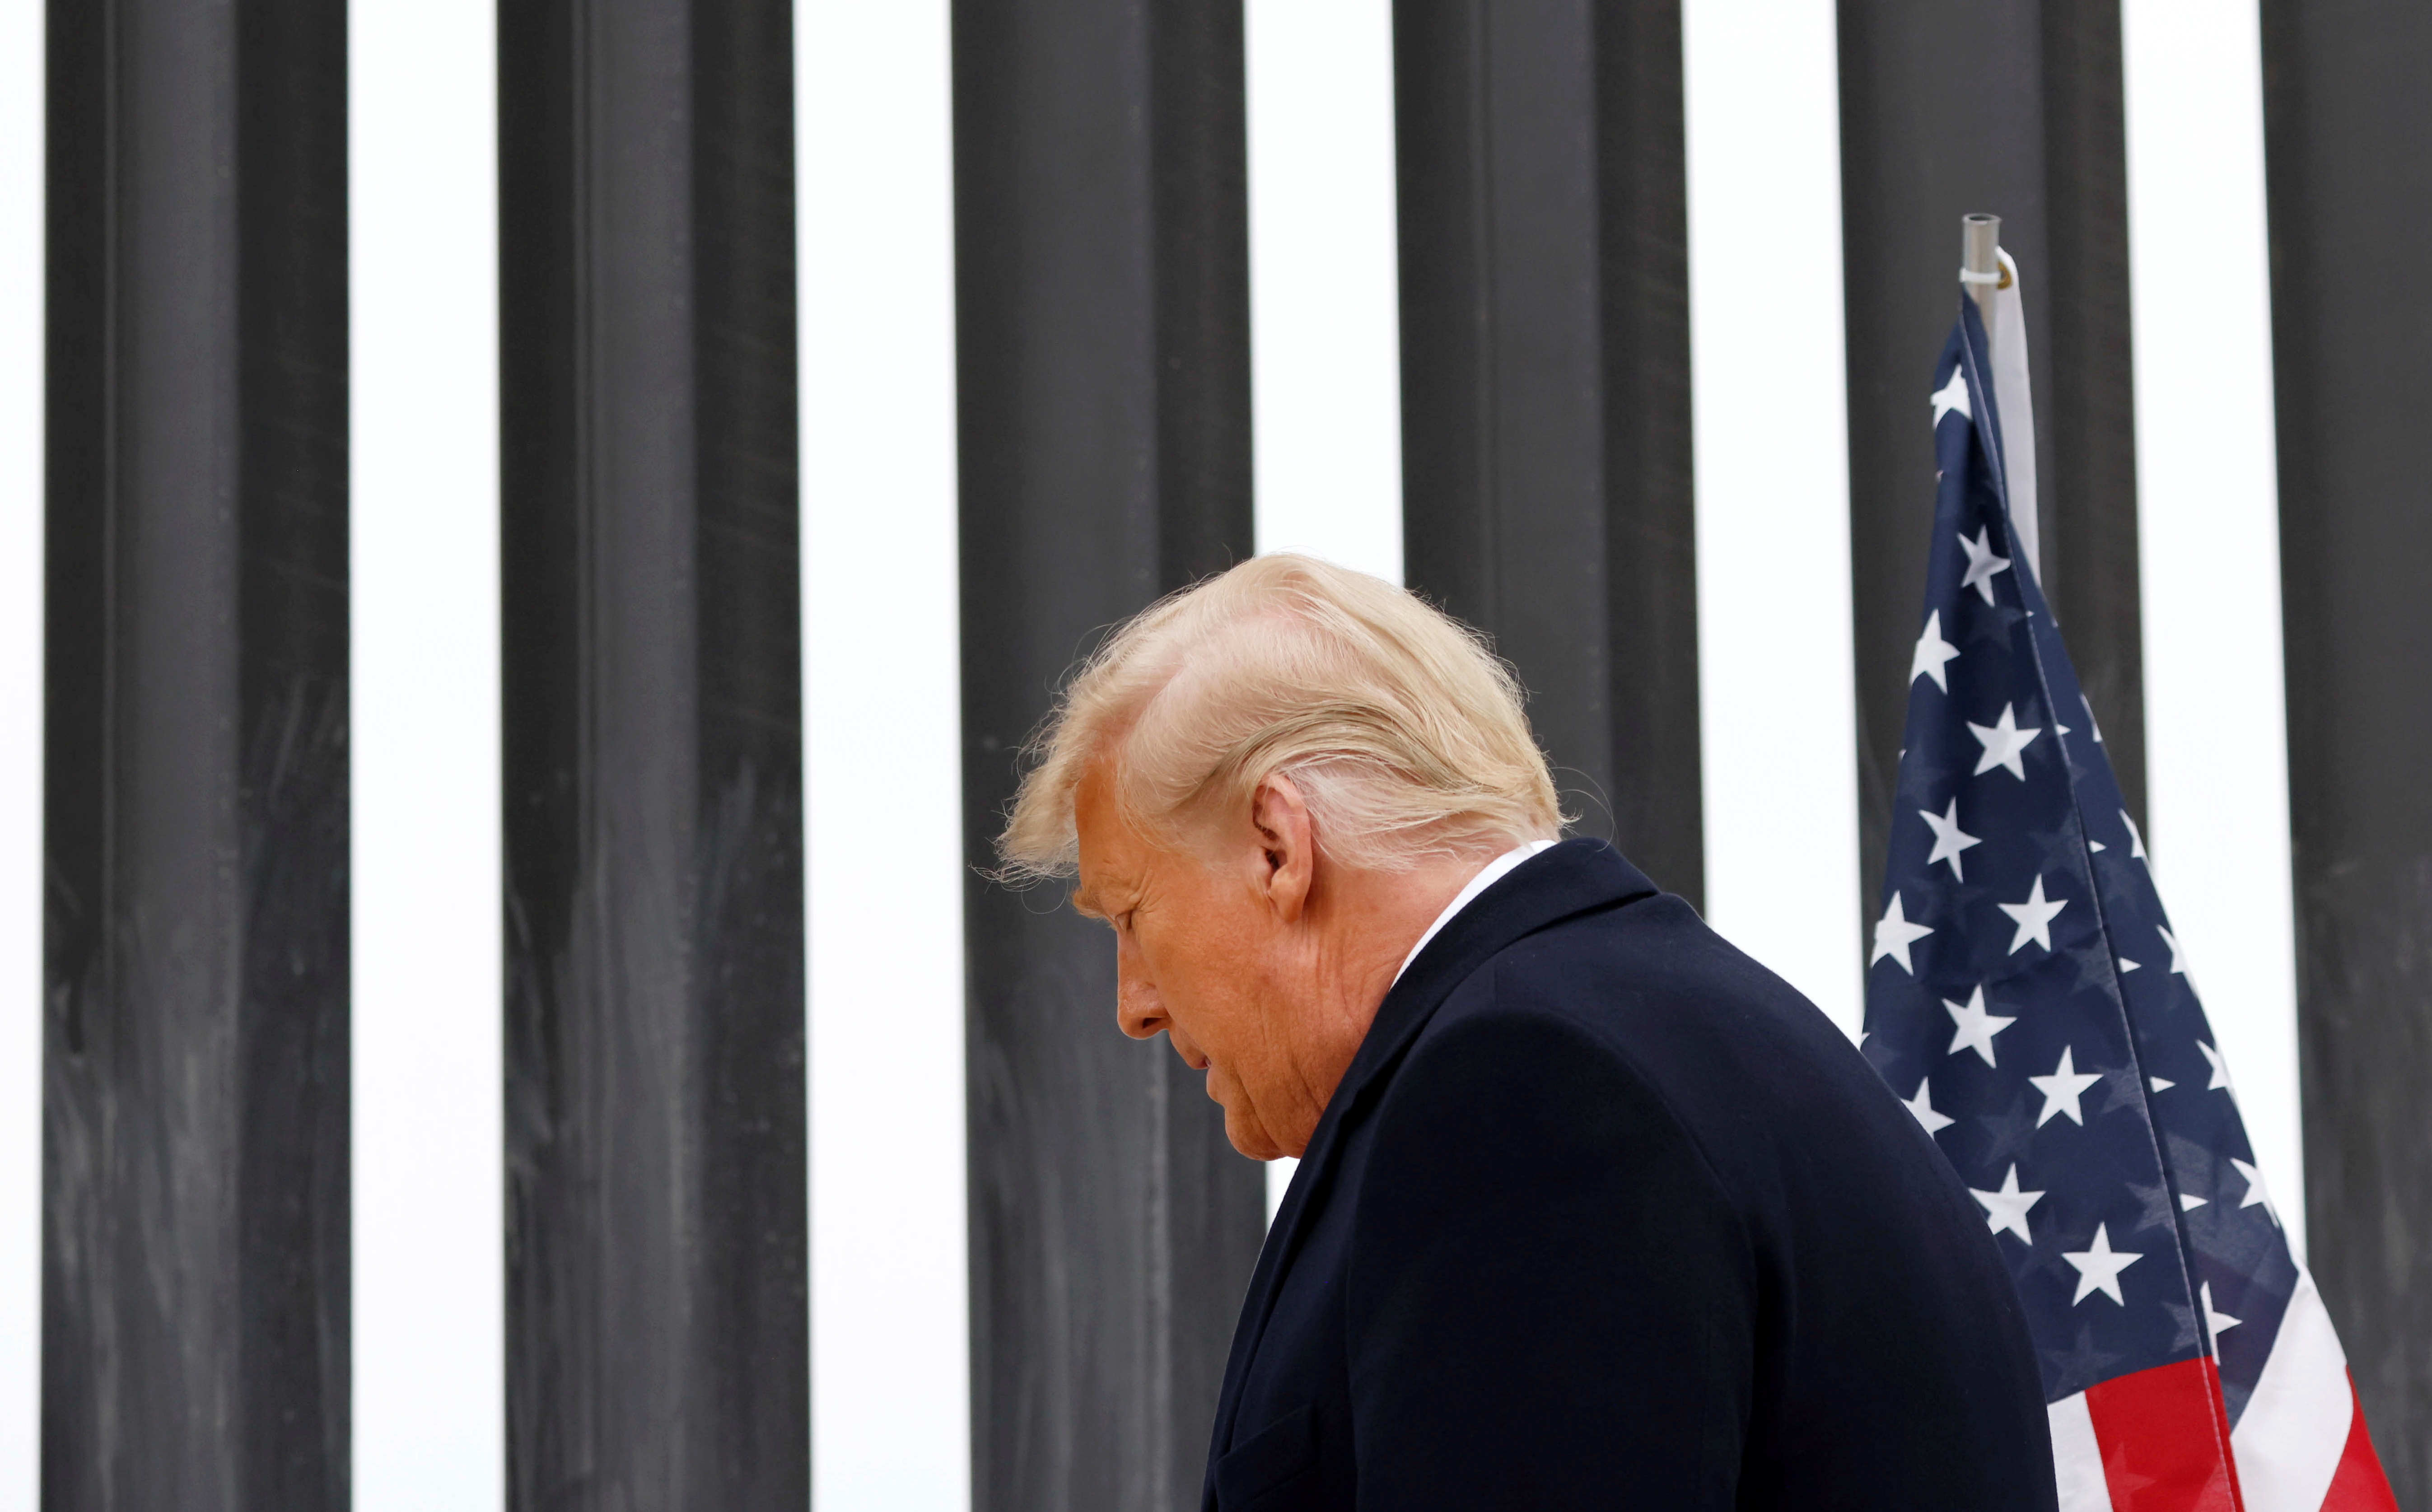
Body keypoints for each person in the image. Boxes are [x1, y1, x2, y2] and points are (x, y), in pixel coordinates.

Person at [995, 554, 2057, 1510]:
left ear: (1277, 844)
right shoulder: (1674, 1036)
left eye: (1130, 913)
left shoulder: (1524, 1095)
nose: (1133, 1003)